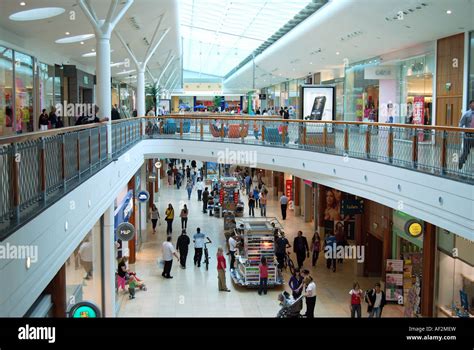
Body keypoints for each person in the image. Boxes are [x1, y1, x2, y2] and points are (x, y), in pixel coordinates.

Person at [458, 100, 474, 170]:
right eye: (473, 104)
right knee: (466, 151)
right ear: (470, 105)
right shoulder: (466, 114)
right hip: (468, 135)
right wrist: (462, 133)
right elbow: (460, 125)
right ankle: (461, 161)